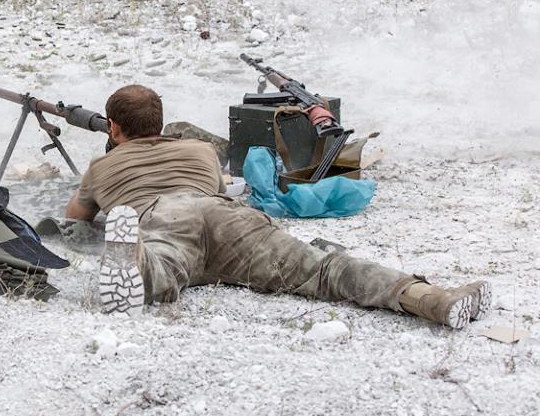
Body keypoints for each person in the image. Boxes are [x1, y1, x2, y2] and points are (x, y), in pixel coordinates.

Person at [64, 85, 491, 328]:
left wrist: (104, 177)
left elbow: (76, 218)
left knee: (165, 262)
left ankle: (138, 267)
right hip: (225, 215)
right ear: (160, 122)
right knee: (323, 268)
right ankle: (430, 298)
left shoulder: (102, 166)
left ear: (113, 127)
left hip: (161, 217)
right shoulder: (197, 151)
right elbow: (217, 187)